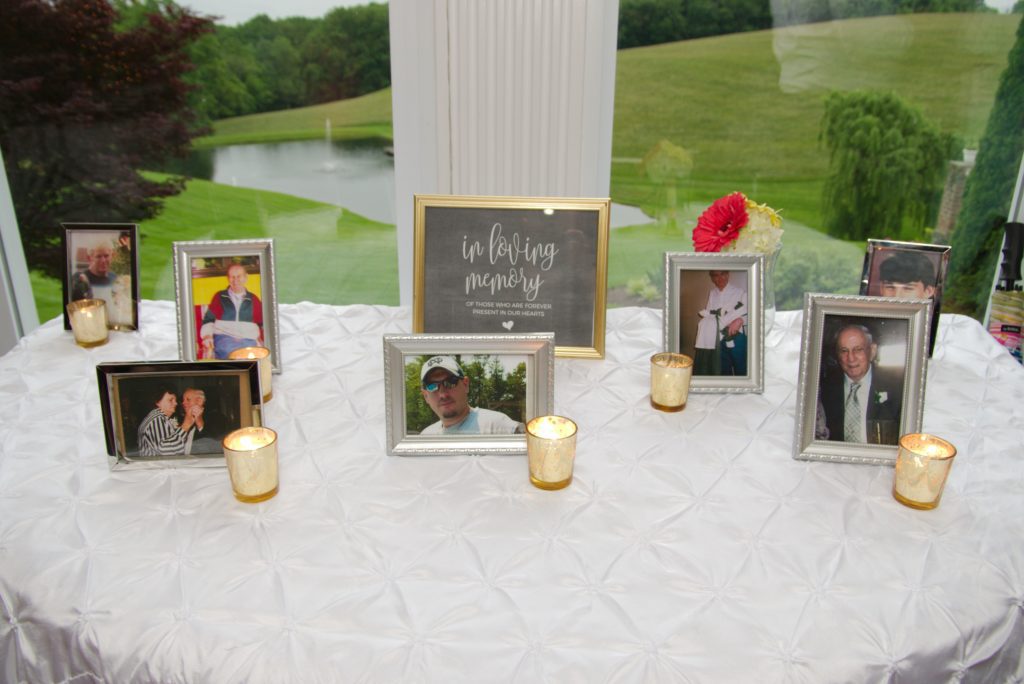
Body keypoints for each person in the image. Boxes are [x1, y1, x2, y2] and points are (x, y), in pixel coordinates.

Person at [817, 324, 903, 446]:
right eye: (844, 351)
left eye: (858, 350)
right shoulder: (823, 390)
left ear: (872, 351)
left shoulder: (898, 388)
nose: (851, 358)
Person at [419, 356, 525, 435]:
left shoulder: (497, 426)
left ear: (465, 384)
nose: (443, 394)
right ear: (426, 396)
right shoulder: (425, 437)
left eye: (450, 382)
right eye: (432, 386)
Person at [199, 263, 263, 359]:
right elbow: (208, 320)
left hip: (248, 339)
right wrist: (207, 336)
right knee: (233, 354)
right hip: (224, 338)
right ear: (228, 279)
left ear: (246, 278)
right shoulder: (219, 296)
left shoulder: (254, 299)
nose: (235, 280)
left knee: (249, 356)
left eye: (239, 276)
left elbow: (262, 323)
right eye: (232, 277)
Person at [693, 270, 747, 376]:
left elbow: (751, 312)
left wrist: (741, 320)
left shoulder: (740, 292)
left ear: (728, 274)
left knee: (742, 370)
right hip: (717, 338)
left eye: (722, 274)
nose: (720, 278)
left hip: (736, 336)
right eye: (716, 275)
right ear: (712, 278)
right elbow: (709, 313)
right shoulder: (712, 293)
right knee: (722, 371)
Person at [137, 388, 197, 457]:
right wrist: (186, 424)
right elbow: (167, 451)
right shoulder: (157, 419)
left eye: (175, 400)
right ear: (158, 402)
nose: (176, 403)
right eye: (171, 400)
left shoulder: (160, 418)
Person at [70, 237, 117, 306]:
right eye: (98, 256)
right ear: (89, 258)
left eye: (106, 256)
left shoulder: (115, 278)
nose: (103, 260)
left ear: (112, 256)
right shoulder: (80, 280)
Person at [180, 387, 221, 455]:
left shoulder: (215, 417)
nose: (183, 403)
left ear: (199, 401)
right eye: (183, 400)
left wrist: (199, 421)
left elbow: (214, 443)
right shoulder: (183, 419)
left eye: (188, 400)